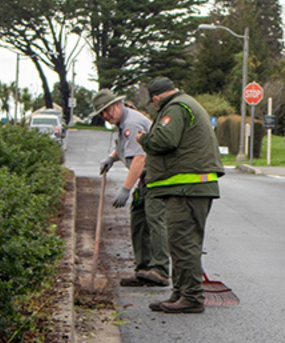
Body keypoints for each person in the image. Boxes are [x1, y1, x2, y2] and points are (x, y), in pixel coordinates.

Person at [137, 77, 224, 314]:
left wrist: (143, 139)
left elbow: (165, 140)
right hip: (191, 187)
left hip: (188, 188)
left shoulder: (175, 108)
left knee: (183, 243)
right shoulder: (186, 104)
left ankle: (192, 297)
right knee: (181, 243)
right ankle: (180, 293)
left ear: (156, 99)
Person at [89, 89, 169, 288]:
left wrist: (126, 188)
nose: (106, 116)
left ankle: (159, 270)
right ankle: (143, 269)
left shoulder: (131, 123)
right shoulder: (123, 123)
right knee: (139, 222)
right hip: (145, 180)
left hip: (156, 177)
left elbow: (140, 159)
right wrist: (112, 157)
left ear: (118, 105)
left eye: (107, 111)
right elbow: (126, 146)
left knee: (154, 221)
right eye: (102, 114)